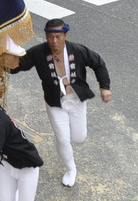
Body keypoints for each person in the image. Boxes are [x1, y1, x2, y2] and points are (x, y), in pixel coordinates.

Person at [7, 20, 111, 190]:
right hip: (55, 102)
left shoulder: (77, 50)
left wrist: (105, 87)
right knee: (63, 138)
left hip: (76, 100)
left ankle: (64, 143)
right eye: (50, 37)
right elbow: (21, 65)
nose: (54, 41)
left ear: (65, 36)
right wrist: (4, 61)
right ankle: (71, 169)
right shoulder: (40, 52)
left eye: (58, 37)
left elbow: (98, 62)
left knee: (79, 138)